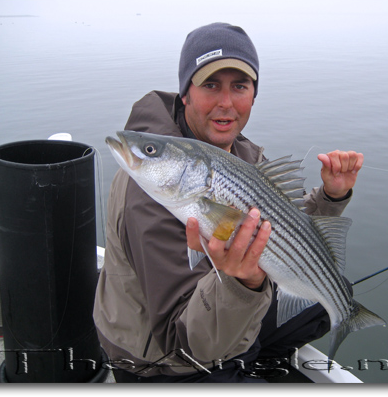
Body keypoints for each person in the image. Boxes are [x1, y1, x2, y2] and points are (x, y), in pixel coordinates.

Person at [93, 22, 363, 383]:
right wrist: (246, 285)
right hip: (164, 360)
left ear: (254, 95)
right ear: (185, 93)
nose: (226, 102)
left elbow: (285, 232)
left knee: (332, 295)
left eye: (239, 86)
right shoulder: (146, 194)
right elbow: (184, 343)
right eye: (210, 85)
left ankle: (253, 355)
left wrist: (331, 197)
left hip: (218, 304)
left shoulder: (240, 156)